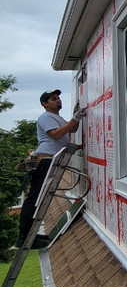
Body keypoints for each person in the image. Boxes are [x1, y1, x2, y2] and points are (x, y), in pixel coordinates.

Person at [15, 90, 84, 250]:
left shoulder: (57, 118)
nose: (58, 100)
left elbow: (71, 130)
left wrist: (76, 118)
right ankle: (24, 236)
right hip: (45, 159)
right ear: (45, 103)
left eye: (59, 98)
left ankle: (30, 235)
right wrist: (74, 118)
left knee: (39, 196)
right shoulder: (45, 117)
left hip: (51, 159)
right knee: (35, 197)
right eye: (53, 99)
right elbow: (56, 135)